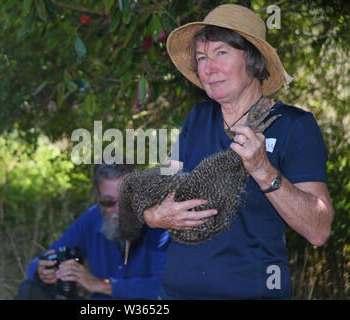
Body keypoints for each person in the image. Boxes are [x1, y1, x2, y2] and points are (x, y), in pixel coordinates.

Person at [142, 4, 334, 299]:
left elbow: (318, 230)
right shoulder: (199, 117)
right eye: (202, 57)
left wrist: (262, 170)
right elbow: (162, 189)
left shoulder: (294, 126)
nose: (209, 68)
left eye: (222, 53)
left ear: (254, 60)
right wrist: (155, 216)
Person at [17, 161, 170, 300]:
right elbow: (38, 262)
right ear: (98, 197)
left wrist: (102, 285)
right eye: (108, 202)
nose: (119, 210)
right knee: (30, 290)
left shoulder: (159, 224)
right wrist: (42, 270)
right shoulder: (92, 218)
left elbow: (167, 289)